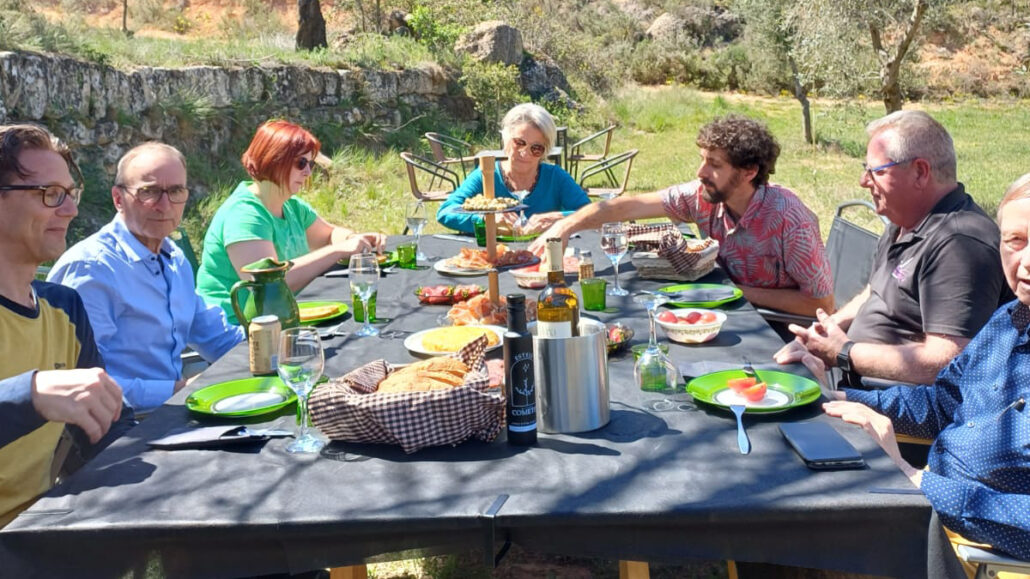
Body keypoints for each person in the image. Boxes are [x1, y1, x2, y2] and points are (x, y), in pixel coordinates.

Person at [822, 172, 1030, 573]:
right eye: (1015, 241)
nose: (1025, 262)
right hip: (924, 503)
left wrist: (914, 481)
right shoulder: (1011, 319)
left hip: (975, 552)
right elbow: (943, 402)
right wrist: (843, 400)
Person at [776, 110, 1011, 387]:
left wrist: (844, 352)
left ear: (920, 173)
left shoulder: (959, 244)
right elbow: (876, 291)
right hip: (854, 384)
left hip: (890, 411)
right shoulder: (905, 221)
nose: (864, 181)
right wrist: (826, 330)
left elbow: (948, 361)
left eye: (876, 171)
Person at [530, 114, 833, 317]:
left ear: (749, 172)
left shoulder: (790, 221)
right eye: (702, 160)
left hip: (775, 335)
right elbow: (630, 206)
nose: (701, 172)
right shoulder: (704, 197)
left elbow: (821, 304)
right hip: (720, 316)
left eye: (714, 164)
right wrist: (566, 224)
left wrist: (733, 291)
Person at [0, 124, 134, 527]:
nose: (71, 210)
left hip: (44, 535)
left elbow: (107, 428)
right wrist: (30, 394)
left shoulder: (63, 308)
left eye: (69, 194)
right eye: (50, 195)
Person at [48, 143, 245, 412]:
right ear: (118, 199)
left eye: (175, 191)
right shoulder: (92, 270)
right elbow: (80, 384)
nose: (164, 205)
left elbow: (214, 335)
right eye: (148, 192)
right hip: (122, 432)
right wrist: (179, 390)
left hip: (172, 413)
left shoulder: (171, 255)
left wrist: (278, 347)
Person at [197, 120, 386, 323]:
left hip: (278, 318)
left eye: (310, 164)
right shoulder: (245, 215)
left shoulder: (291, 205)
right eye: (301, 163)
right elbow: (271, 286)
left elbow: (329, 235)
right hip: (236, 328)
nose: (308, 172)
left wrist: (353, 238)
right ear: (273, 160)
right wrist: (340, 250)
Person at [436, 103, 590, 235]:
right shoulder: (486, 176)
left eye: (536, 148)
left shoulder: (555, 177)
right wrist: (486, 219)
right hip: (495, 259)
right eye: (519, 143)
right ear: (506, 139)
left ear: (545, 151)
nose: (525, 153)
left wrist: (557, 219)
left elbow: (591, 213)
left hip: (544, 261)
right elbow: (446, 212)